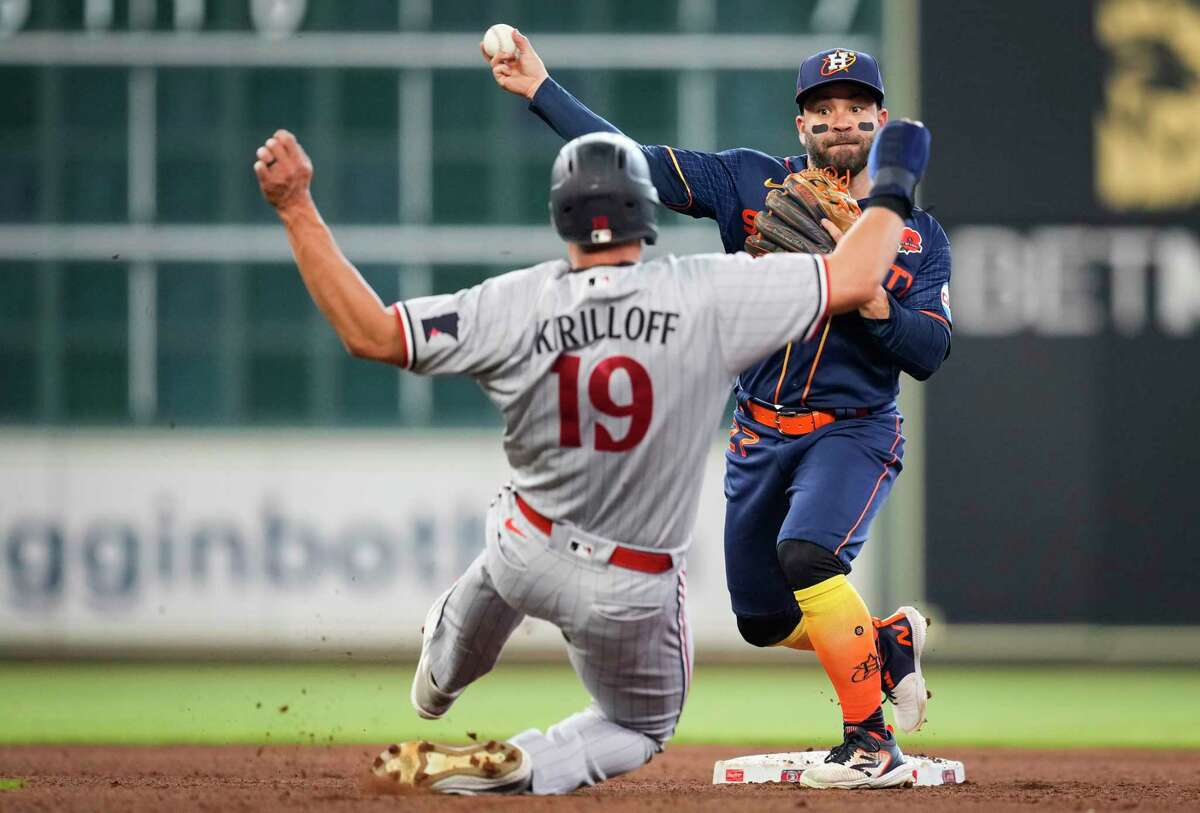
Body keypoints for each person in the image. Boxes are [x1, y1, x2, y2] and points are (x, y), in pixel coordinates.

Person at [252, 116, 931, 793]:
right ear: (645, 212)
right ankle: (531, 761)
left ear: (561, 218)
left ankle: (440, 673)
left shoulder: (512, 302)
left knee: (502, 558)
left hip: (529, 547)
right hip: (633, 587)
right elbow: (858, 272)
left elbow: (371, 333)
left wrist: (295, 207)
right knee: (638, 726)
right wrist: (894, 174)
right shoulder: (709, 293)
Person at [485, 35, 951, 788]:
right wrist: (541, 88)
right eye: (823, 111)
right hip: (760, 429)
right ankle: (886, 643)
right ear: (801, 126)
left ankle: (869, 744)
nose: (840, 121)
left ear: (881, 119)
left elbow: (929, 351)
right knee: (763, 620)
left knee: (809, 555)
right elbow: (632, 161)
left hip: (854, 430)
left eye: (856, 109)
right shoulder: (750, 183)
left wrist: (873, 297)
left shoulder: (917, 237)